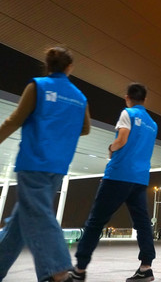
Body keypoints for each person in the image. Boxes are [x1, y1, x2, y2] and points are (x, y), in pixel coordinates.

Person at [0, 47, 91, 282]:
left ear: (48, 65)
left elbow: (14, 120)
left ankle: (58, 272)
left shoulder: (38, 86)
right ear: (70, 68)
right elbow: (85, 128)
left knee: (39, 215)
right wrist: (62, 132)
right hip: (58, 166)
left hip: (33, 161)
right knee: (19, 226)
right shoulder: (80, 97)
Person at [70, 83, 158, 282]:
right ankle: (146, 267)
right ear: (145, 99)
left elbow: (122, 140)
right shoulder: (153, 124)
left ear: (127, 97)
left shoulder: (127, 113)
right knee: (143, 224)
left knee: (95, 222)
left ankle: (80, 269)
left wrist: (111, 147)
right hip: (140, 178)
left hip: (119, 175)